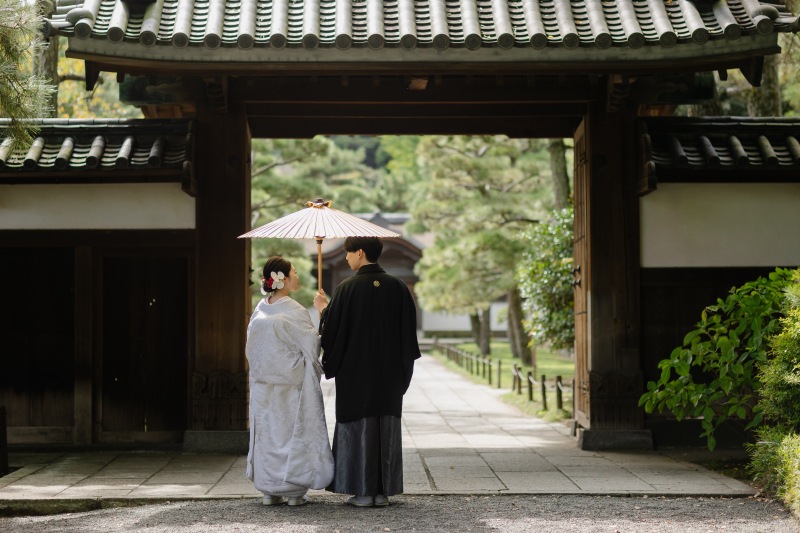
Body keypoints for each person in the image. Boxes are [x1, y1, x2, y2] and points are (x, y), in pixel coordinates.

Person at [313, 236, 421, 507]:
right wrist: (401, 372)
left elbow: (332, 335)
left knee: (358, 425)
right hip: (389, 375)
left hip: (355, 374)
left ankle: (361, 491)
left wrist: (323, 310)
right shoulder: (398, 287)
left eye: (349, 253)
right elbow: (409, 336)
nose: (347, 258)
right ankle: (383, 492)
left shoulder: (346, 288)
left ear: (360, 253)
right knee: (385, 426)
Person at [245, 256, 334, 506]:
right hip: (292, 383)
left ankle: (269, 490)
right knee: (290, 433)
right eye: (294, 272)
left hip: (264, 383)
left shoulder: (260, 309)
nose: (297, 276)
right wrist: (322, 312)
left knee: (268, 432)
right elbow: (312, 345)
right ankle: (294, 490)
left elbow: (252, 348)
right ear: (281, 278)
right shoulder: (294, 310)